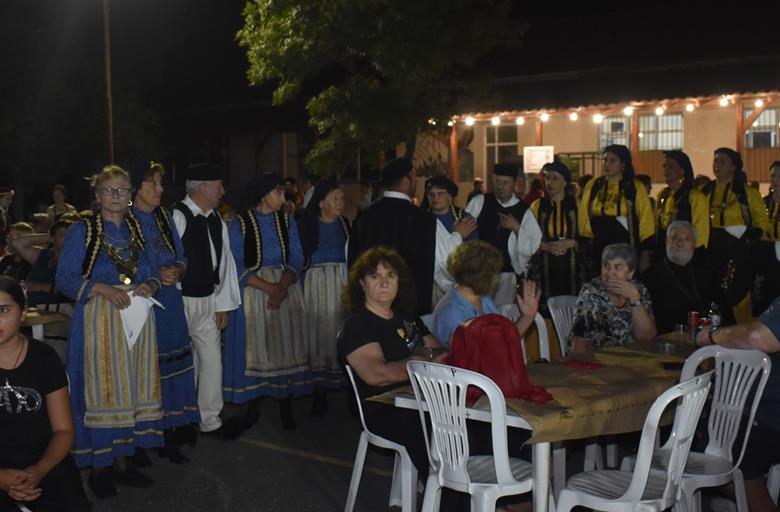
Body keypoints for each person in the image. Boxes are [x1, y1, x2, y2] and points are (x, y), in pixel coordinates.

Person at [55, 165, 163, 497]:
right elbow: (65, 278)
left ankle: (122, 461)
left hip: (136, 320)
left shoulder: (138, 228)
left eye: (122, 189)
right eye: (108, 189)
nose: (115, 195)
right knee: (102, 391)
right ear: (98, 195)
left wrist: (151, 284)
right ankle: (100, 467)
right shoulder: (83, 230)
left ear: (130, 195)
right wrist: (102, 288)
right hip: (99, 320)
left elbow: (153, 270)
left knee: (130, 388)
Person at [337, 246, 448, 482]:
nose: (385, 283)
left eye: (391, 275)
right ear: (362, 284)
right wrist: (422, 358)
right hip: (385, 409)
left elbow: (443, 354)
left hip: (421, 399)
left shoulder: (407, 317)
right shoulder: (358, 325)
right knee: (436, 430)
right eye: (375, 276)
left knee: (476, 425)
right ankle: (445, 491)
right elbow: (377, 375)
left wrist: (423, 357)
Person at [223, 172, 310, 431]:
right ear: (263, 195)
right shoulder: (239, 225)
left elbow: (297, 257)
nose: (284, 197)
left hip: (285, 290)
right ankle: (254, 405)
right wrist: (269, 288)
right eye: (279, 192)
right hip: (254, 292)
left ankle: (285, 405)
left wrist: (281, 287)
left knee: (285, 345)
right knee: (258, 347)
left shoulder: (287, 221)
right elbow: (235, 264)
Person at [0, 276, 90, 511]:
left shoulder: (44, 358)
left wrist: (37, 471)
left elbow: (63, 431)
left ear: (23, 313)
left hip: (44, 460)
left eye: (4, 310)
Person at [130, 162, 199, 464]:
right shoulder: (124, 220)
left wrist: (177, 270)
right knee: (145, 370)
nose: (160, 189)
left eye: (160, 183)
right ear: (136, 188)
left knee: (171, 369)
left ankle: (168, 433)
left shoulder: (165, 217)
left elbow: (181, 256)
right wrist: (153, 275)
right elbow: (121, 267)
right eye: (153, 183)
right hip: (141, 304)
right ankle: (140, 439)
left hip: (169, 302)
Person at [171, 163, 241, 439]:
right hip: (182, 300)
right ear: (202, 187)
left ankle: (209, 419)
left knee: (211, 360)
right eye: (219, 185)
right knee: (181, 362)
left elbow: (224, 263)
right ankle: (179, 418)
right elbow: (169, 261)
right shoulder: (178, 215)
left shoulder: (215, 219)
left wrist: (222, 304)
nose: (223, 191)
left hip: (207, 299)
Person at [696, 297, 780, 512]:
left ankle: (746, 500)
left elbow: (759, 337)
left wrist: (712, 336)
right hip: (763, 410)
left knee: (719, 442)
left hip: (768, 417)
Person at [348, 158, 437, 315]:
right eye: (414, 176)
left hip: (371, 309)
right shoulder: (424, 220)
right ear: (405, 182)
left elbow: (352, 259)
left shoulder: (365, 216)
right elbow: (441, 265)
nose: (417, 181)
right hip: (411, 311)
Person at [298, 179, 350, 416]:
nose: (340, 203)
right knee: (318, 334)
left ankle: (348, 386)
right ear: (320, 203)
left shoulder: (346, 225)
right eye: (334, 199)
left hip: (342, 283)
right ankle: (319, 390)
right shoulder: (306, 227)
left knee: (342, 333)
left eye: (341, 198)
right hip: (316, 285)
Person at [701, 148, 771, 322]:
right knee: (713, 294)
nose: (716, 165)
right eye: (715, 161)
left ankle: (742, 331)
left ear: (734, 167)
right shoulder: (705, 191)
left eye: (722, 161)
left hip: (738, 253)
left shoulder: (747, 193)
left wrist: (749, 240)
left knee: (738, 294)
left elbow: (763, 223)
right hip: (712, 251)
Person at [431, 240, 540, 346]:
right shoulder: (451, 312)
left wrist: (528, 316)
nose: (496, 279)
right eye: (494, 274)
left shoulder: (483, 299)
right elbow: (488, 351)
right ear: (482, 277)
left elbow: (501, 342)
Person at [465, 162, 542, 306]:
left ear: (514, 184)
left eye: (505, 183)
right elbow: (465, 230)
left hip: (507, 272)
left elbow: (533, 243)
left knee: (502, 312)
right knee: (478, 309)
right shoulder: (480, 201)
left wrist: (517, 227)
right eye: (497, 182)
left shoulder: (522, 210)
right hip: (480, 271)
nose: (500, 186)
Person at [578, 145, 655, 277]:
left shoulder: (635, 187)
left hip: (625, 245)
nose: (607, 164)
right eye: (605, 160)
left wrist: (645, 252)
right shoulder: (594, 185)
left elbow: (645, 220)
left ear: (623, 163)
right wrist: (585, 244)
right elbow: (583, 216)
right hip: (598, 245)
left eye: (612, 160)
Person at [569, 243, 656, 354]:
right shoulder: (592, 293)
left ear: (631, 273)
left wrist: (635, 299)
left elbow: (647, 337)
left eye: (618, 267)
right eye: (606, 266)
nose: (610, 273)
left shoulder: (639, 290)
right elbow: (579, 341)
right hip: (598, 358)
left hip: (633, 356)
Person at [640, 221, 720, 334]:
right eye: (675, 238)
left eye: (687, 239)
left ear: (694, 244)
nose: (680, 243)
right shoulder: (649, 277)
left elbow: (723, 310)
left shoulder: (707, 274)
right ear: (666, 242)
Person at [530, 161, 583, 305]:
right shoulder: (537, 206)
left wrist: (572, 242)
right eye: (547, 178)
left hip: (572, 265)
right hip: (545, 265)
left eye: (555, 178)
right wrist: (544, 246)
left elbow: (588, 234)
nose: (550, 182)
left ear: (565, 182)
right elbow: (528, 237)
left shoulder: (577, 205)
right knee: (547, 304)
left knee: (572, 305)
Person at [423, 175, 477, 306]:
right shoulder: (422, 219)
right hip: (432, 280)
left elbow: (475, 248)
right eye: (431, 194)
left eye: (440, 193)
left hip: (461, 277)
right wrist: (457, 235)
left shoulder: (463, 217)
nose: (435, 198)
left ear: (449, 196)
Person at [655, 150, 709, 260]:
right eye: (665, 166)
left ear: (682, 170)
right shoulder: (663, 194)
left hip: (686, 254)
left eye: (671, 166)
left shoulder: (695, 196)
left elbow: (701, 232)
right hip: (663, 252)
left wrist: (696, 255)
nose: (666, 170)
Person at [12, 218, 75, 308]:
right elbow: (17, 243)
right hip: (32, 307)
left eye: (70, 235)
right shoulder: (42, 255)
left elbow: (69, 290)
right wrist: (49, 237)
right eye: (62, 235)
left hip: (56, 309)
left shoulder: (74, 260)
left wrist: (41, 286)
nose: (67, 238)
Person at [755, 161, 780, 314]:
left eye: (779, 176)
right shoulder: (765, 202)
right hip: (765, 255)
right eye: (772, 176)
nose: (775, 179)